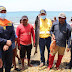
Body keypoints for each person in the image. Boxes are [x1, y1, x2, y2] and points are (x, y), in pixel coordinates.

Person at [0, 6, 15, 72]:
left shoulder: (9, 23)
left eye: (4, 12)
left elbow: (13, 35)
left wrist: (8, 44)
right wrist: (5, 42)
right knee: (0, 66)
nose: (3, 13)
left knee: (8, 65)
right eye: (1, 12)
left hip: (9, 47)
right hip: (0, 48)